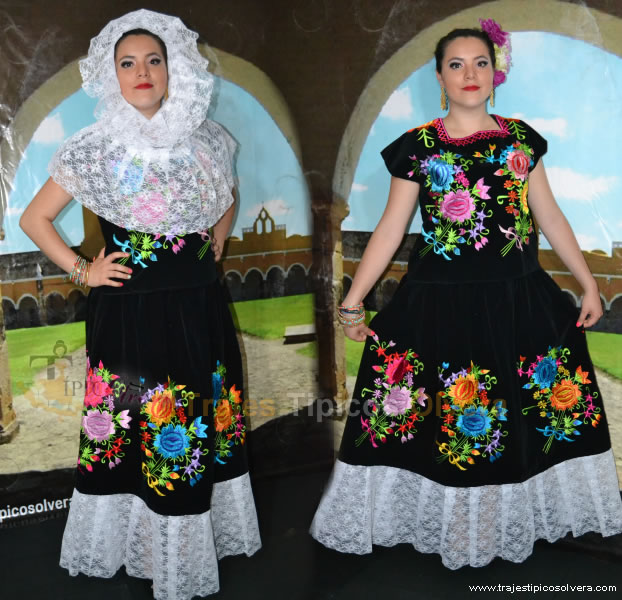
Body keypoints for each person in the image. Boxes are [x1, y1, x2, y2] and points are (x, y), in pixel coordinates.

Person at [311, 19, 622, 568]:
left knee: (516, 415)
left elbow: (549, 215)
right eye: (456, 64)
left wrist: (588, 283)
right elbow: (391, 228)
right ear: (439, 77)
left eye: (480, 62)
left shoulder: (520, 140)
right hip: (440, 305)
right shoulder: (417, 147)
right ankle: (456, 526)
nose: (469, 74)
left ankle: (509, 521)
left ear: (495, 71)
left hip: (518, 300)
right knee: (451, 416)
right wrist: (352, 301)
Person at [20, 9, 260, 598]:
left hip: (199, 307)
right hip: (130, 314)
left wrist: (218, 237)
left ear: (173, 68)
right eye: (128, 63)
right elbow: (35, 219)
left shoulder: (207, 137)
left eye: (154, 59)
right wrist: (84, 270)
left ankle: (188, 547)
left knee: (196, 422)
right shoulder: (96, 147)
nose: (142, 71)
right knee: (138, 429)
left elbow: (227, 195)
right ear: (113, 75)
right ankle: (144, 549)